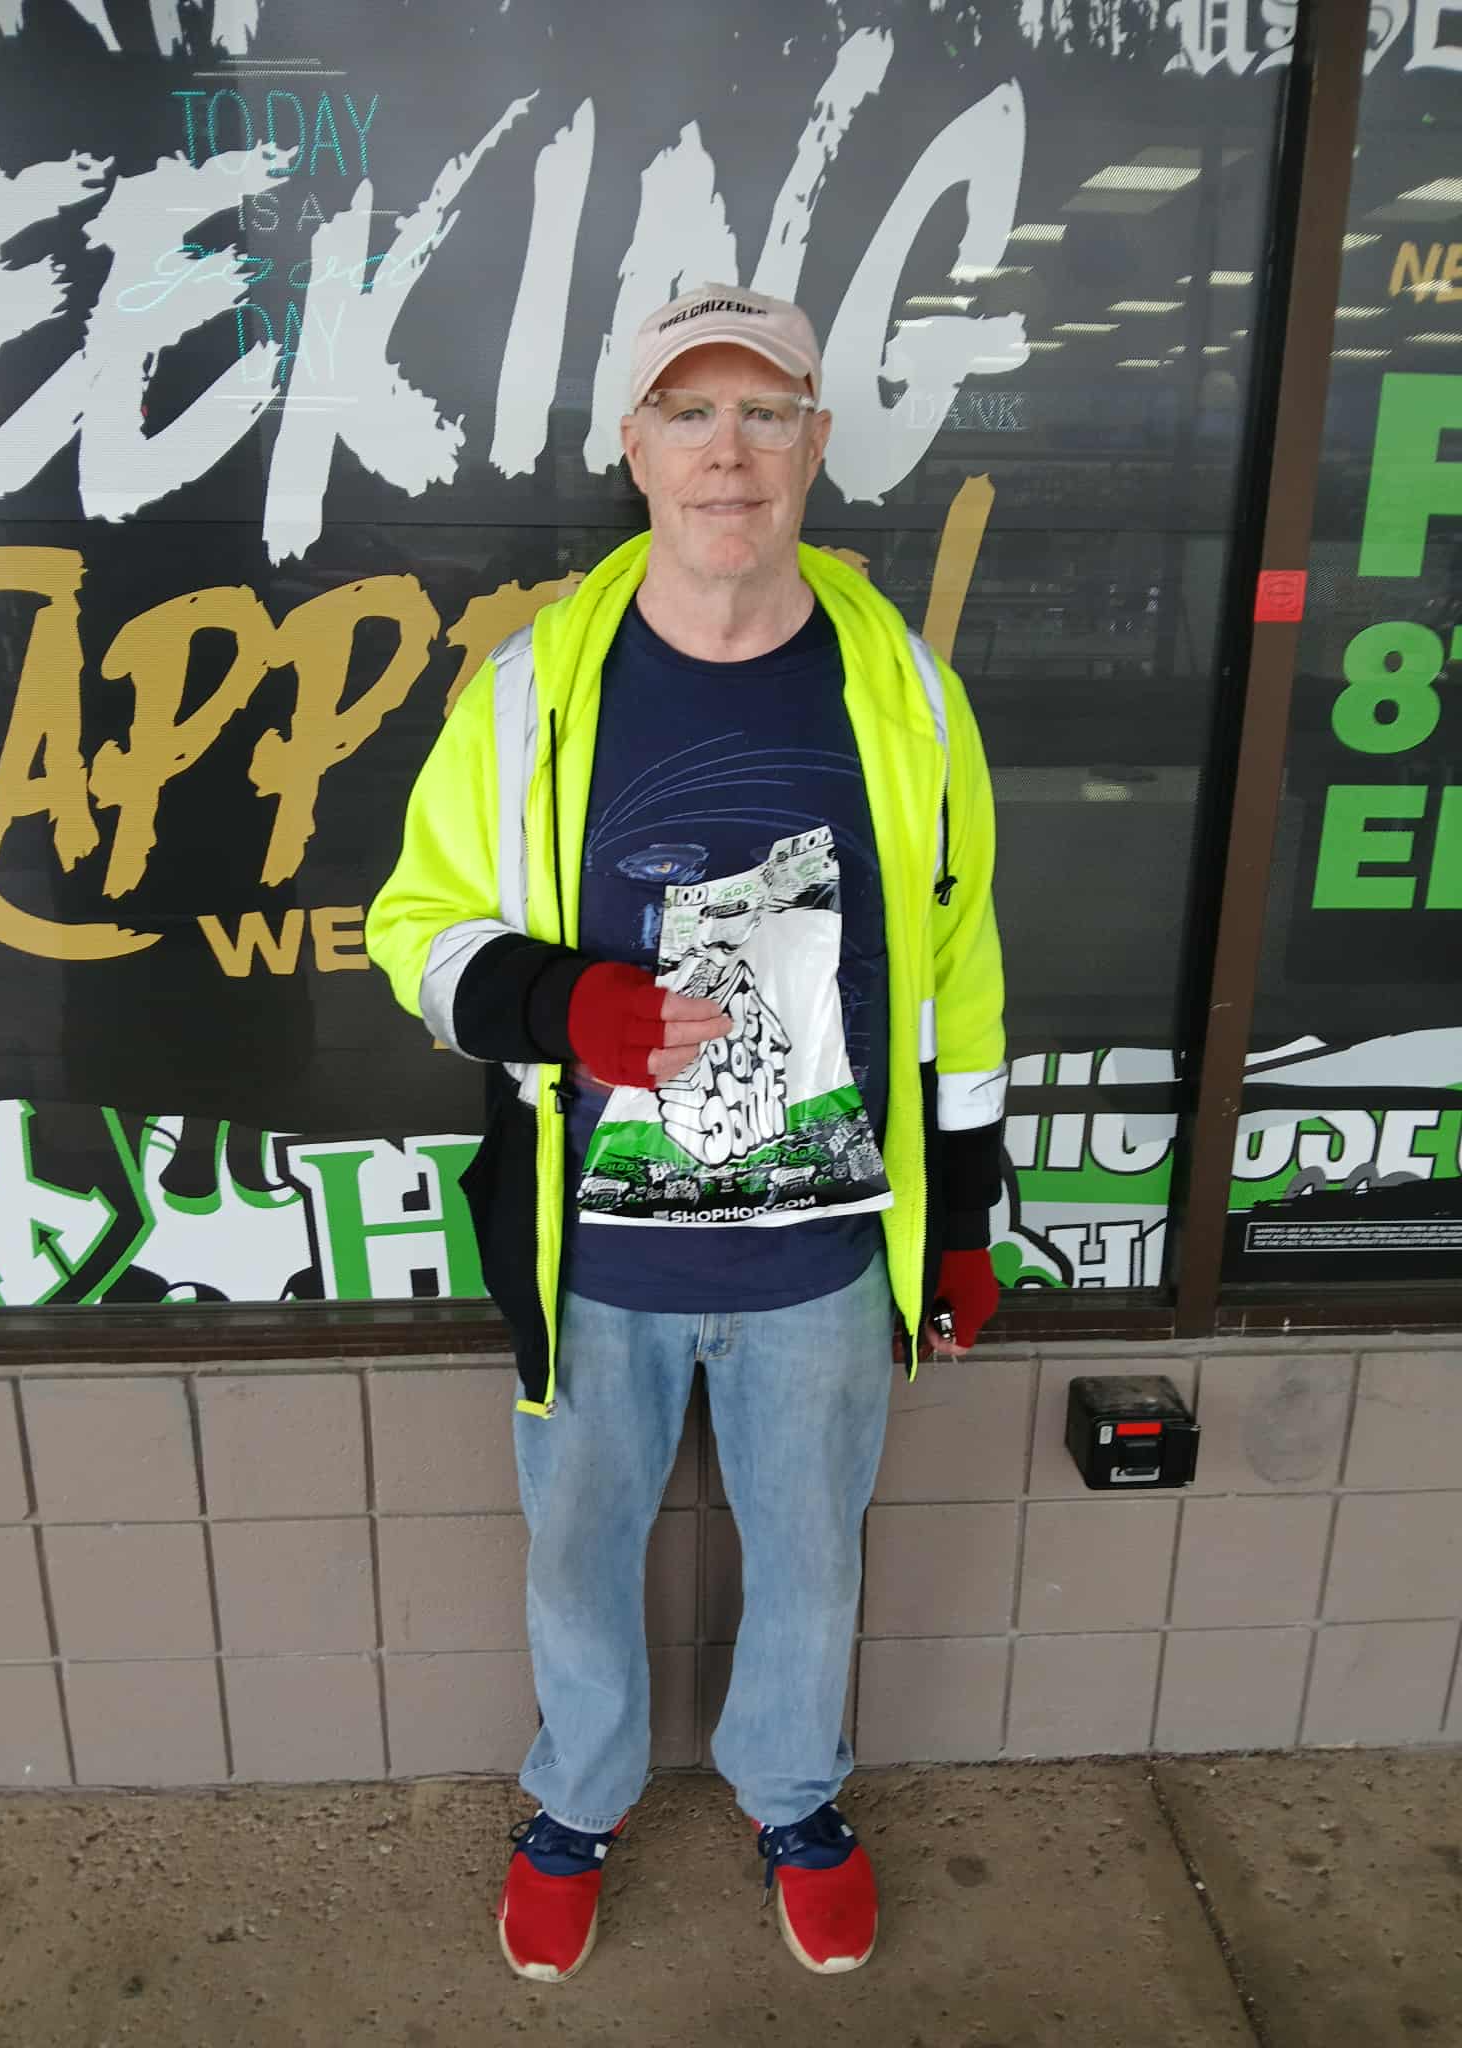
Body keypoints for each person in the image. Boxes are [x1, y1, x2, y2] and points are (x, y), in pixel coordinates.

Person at [366, 282, 1006, 1983]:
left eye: (765, 412)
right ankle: (575, 1804)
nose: (731, 450)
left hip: (823, 1251)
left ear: (815, 441)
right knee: (577, 1556)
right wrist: (558, 1002)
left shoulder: (908, 693)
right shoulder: (528, 692)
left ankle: (795, 1795)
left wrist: (962, 1219)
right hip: (601, 1255)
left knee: (812, 1556)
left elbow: (961, 965)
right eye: (691, 412)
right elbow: (412, 930)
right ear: (634, 447)